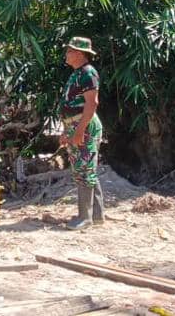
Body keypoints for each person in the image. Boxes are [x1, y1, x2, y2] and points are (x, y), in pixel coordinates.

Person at [61, 36, 104, 230]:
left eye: (69, 51)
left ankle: (85, 217)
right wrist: (66, 131)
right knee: (84, 170)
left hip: (84, 126)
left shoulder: (88, 73)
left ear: (79, 53)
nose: (66, 54)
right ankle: (96, 215)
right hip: (75, 125)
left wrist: (79, 131)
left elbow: (91, 103)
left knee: (85, 170)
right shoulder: (76, 73)